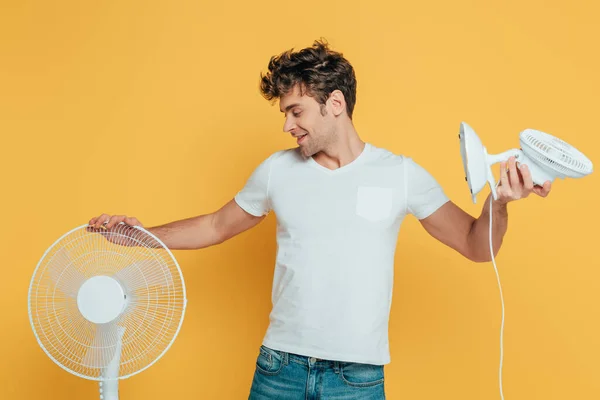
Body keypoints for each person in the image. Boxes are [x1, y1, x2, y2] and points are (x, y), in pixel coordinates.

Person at [89, 39, 552, 400]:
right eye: (285, 114)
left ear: (335, 103)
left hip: (357, 378)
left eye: (295, 111)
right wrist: (138, 236)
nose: (287, 126)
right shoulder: (276, 170)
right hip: (279, 369)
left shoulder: (402, 174)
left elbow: (476, 245)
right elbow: (216, 226)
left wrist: (501, 203)